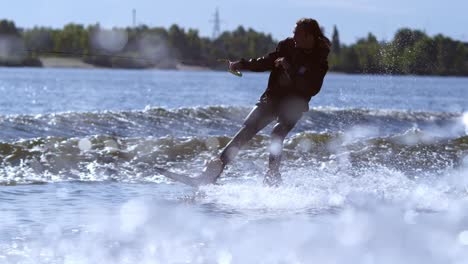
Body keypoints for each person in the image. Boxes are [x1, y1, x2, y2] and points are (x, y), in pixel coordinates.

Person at [201, 18, 331, 186]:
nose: (294, 37)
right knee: (246, 131)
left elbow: (311, 88)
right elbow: (267, 61)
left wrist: (289, 68)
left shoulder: (319, 61)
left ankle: (272, 175)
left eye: (297, 34)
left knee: (277, 133)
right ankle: (212, 174)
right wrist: (242, 64)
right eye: (294, 33)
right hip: (273, 97)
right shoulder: (287, 46)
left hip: (295, 103)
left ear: (309, 36)